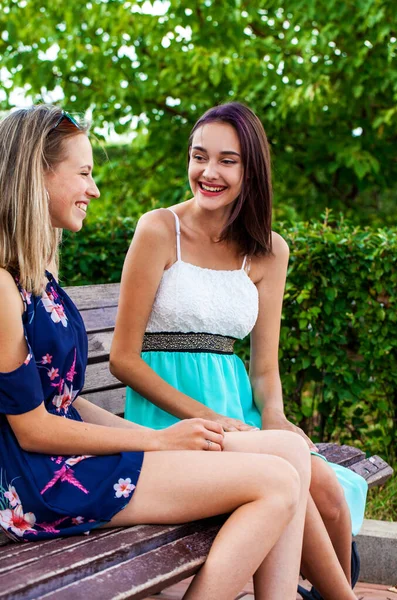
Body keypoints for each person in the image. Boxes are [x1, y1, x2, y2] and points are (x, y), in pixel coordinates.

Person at [0, 104, 314, 600]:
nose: (94, 189)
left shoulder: (35, 279)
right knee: (275, 482)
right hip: (42, 482)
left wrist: (153, 436)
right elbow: (34, 428)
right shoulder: (2, 287)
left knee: (287, 459)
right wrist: (161, 442)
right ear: (36, 176)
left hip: (67, 462)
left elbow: (65, 400)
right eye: (83, 173)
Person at [111, 102, 365, 600]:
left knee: (331, 494)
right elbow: (123, 358)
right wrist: (212, 420)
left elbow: (265, 370)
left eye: (227, 160)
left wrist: (275, 416)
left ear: (251, 170)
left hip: (240, 416)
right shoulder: (159, 230)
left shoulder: (269, 250)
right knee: (299, 481)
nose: (208, 172)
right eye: (199, 156)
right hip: (175, 421)